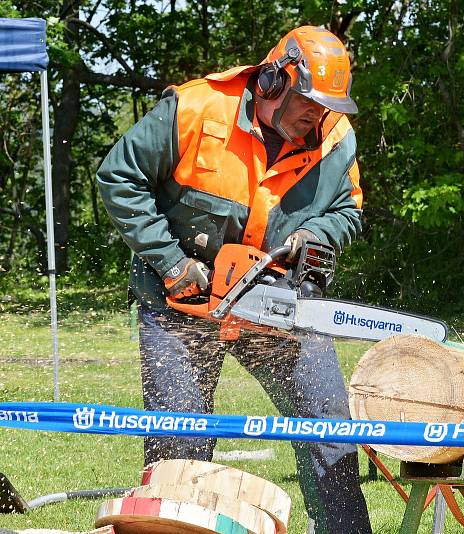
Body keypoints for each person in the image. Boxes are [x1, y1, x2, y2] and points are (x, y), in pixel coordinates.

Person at [96, 25, 371, 534]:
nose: (318, 114)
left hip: (279, 306)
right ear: (272, 82)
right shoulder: (197, 109)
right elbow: (118, 176)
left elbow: (348, 212)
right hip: (183, 304)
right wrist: (172, 263)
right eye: (308, 101)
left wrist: (313, 234)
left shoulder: (335, 139)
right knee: (180, 441)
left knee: (330, 431)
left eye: (328, 105)